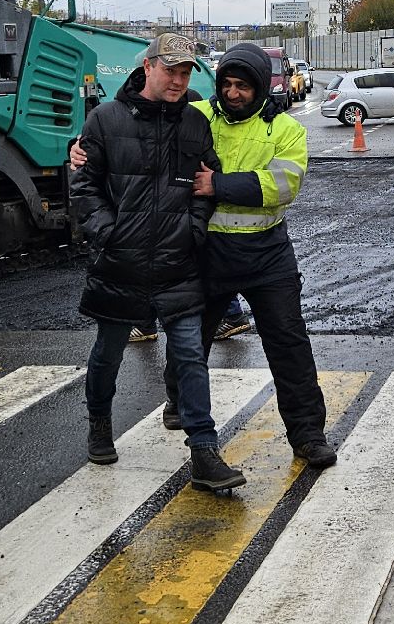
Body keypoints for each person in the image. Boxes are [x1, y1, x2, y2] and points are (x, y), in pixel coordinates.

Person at [68, 44, 328, 466]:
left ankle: (308, 434)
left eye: (243, 86)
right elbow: (136, 128)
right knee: (189, 346)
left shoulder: (284, 129)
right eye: (227, 84)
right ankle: (176, 403)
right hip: (206, 252)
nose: (233, 93)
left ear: (261, 88)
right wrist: (77, 146)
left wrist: (218, 186)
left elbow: (284, 186)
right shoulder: (199, 115)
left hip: (266, 254)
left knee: (289, 345)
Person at [72, 34, 244, 491]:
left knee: (190, 354)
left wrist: (193, 229)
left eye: (186, 72)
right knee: (108, 353)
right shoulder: (105, 119)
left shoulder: (194, 122)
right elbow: (84, 186)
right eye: (170, 70)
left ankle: (204, 450)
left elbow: (207, 183)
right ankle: (99, 424)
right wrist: (108, 233)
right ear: (147, 67)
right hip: (120, 262)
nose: (179, 80)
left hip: (178, 262)